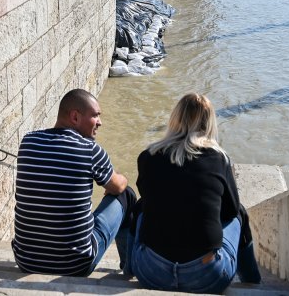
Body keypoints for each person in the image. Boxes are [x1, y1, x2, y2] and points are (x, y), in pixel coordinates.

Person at [127, 93, 261, 294]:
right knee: (239, 212)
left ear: (175, 118)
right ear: (209, 123)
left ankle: (127, 269)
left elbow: (149, 196)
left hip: (150, 273)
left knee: (140, 207)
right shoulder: (219, 159)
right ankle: (252, 281)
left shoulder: (148, 156)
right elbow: (231, 210)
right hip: (208, 276)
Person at [13, 89, 137, 276]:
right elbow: (118, 186)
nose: (100, 122)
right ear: (75, 117)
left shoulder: (28, 141)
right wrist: (121, 179)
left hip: (26, 261)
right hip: (75, 265)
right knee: (126, 193)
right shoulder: (90, 150)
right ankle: (128, 268)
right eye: (95, 116)